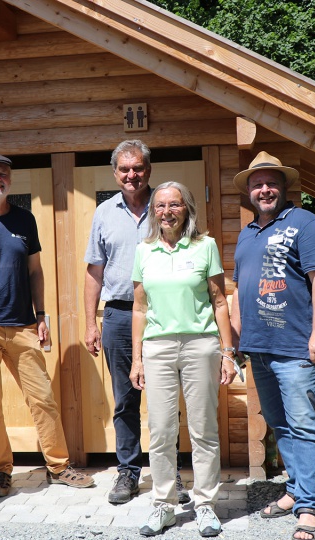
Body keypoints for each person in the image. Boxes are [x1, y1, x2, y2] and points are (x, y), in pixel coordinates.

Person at [0, 154, 94, 497]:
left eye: (2, 173)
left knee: (42, 399)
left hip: (23, 326)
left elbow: (35, 271)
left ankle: (58, 467)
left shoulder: (25, 220)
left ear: (10, 180)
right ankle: (2, 471)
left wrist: (42, 314)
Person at [230, 151, 315, 540]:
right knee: (281, 425)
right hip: (259, 348)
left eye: (271, 182)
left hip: (296, 346)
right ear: (249, 192)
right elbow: (241, 289)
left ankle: (310, 507)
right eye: (257, 184)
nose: (264, 189)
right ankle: (296, 490)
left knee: (305, 426)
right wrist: (234, 339)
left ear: (284, 187)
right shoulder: (247, 233)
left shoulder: (304, 223)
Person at [84, 140, 189, 505]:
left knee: (165, 398)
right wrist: (89, 322)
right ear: (115, 173)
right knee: (124, 399)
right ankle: (128, 471)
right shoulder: (103, 213)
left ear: (149, 170)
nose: (132, 175)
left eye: (138, 168)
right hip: (118, 314)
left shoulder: (167, 208)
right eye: (124, 169)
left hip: (162, 314)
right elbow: (94, 271)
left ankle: (169, 471)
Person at [130, 182, 237, 537]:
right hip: (157, 348)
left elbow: (220, 302)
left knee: (203, 429)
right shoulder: (144, 251)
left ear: (186, 208)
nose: (166, 211)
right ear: (153, 211)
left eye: (174, 205)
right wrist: (137, 359)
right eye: (160, 206)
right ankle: (164, 504)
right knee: (161, 430)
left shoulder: (205, 246)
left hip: (200, 345)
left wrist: (227, 351)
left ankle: (205, 505)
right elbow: (139, 308)